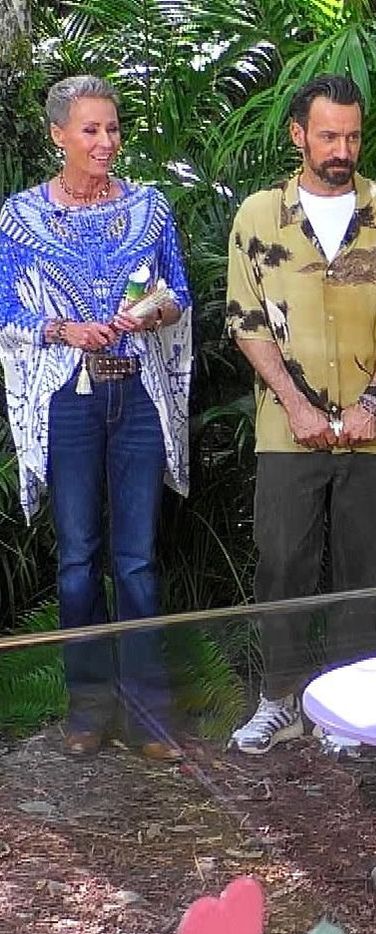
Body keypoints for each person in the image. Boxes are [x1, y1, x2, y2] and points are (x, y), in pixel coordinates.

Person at [225, 74, 376, 755]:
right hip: (288, 429)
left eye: (352, 136)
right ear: (299, 135)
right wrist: (295, 405)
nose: (342, 149)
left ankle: (348, 709)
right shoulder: (260, 216)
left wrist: (374, 401)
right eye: (328, 136)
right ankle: (279, 702)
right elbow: (246, 321)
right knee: (281, 564)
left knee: (362, 570)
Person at [0, 75, 192, 759]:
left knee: (136, 561)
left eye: (112, 127)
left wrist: (152, 312)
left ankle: (148, 716)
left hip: (136, 396)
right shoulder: (19, 217)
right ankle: (87, 711)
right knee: (78, 561)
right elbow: (6, 307)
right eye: (90, 129)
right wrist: (63, 329)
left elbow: (179, 293)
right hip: (68, 403)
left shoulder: (150, 208)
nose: (106, 141)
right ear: (58, 134)